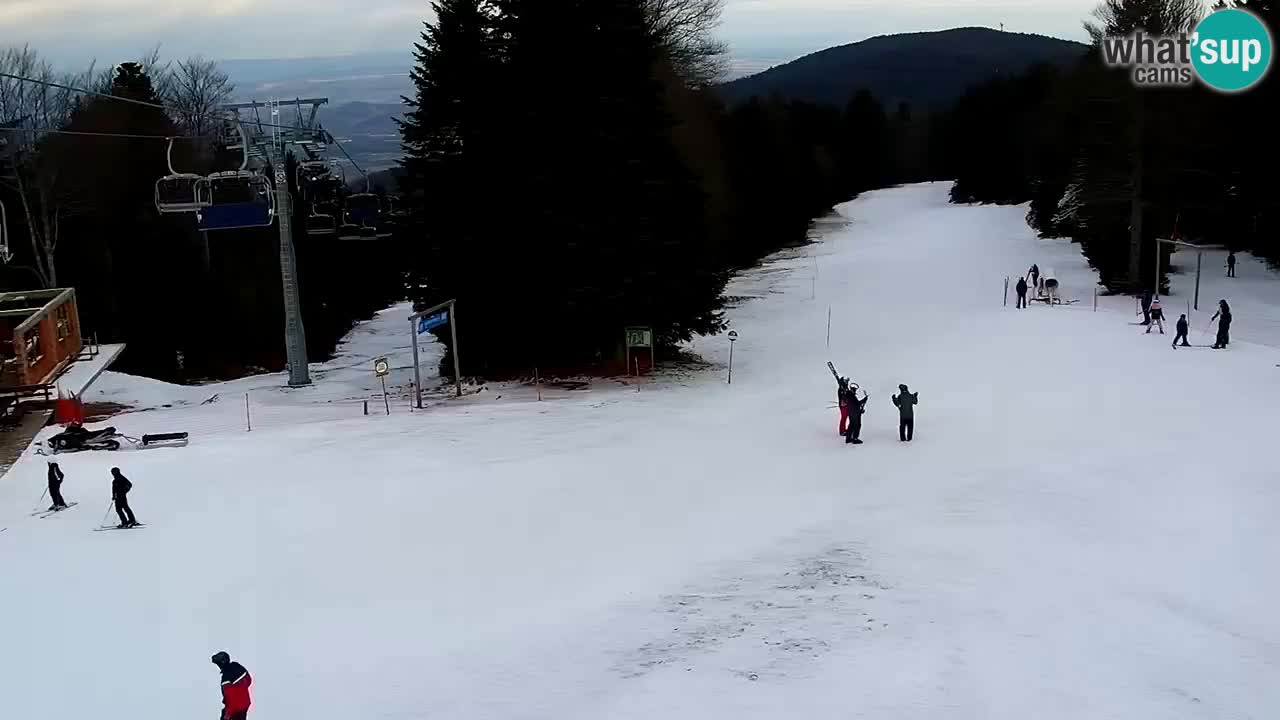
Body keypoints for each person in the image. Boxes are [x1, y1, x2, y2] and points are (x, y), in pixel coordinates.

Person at [212, 651, 253, 720]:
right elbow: (249, 680)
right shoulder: (236, 666)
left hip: (235, 711)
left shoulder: (226, 677)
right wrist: (241, 690)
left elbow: (230, 700)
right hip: (245, 704)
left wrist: (227, 715)